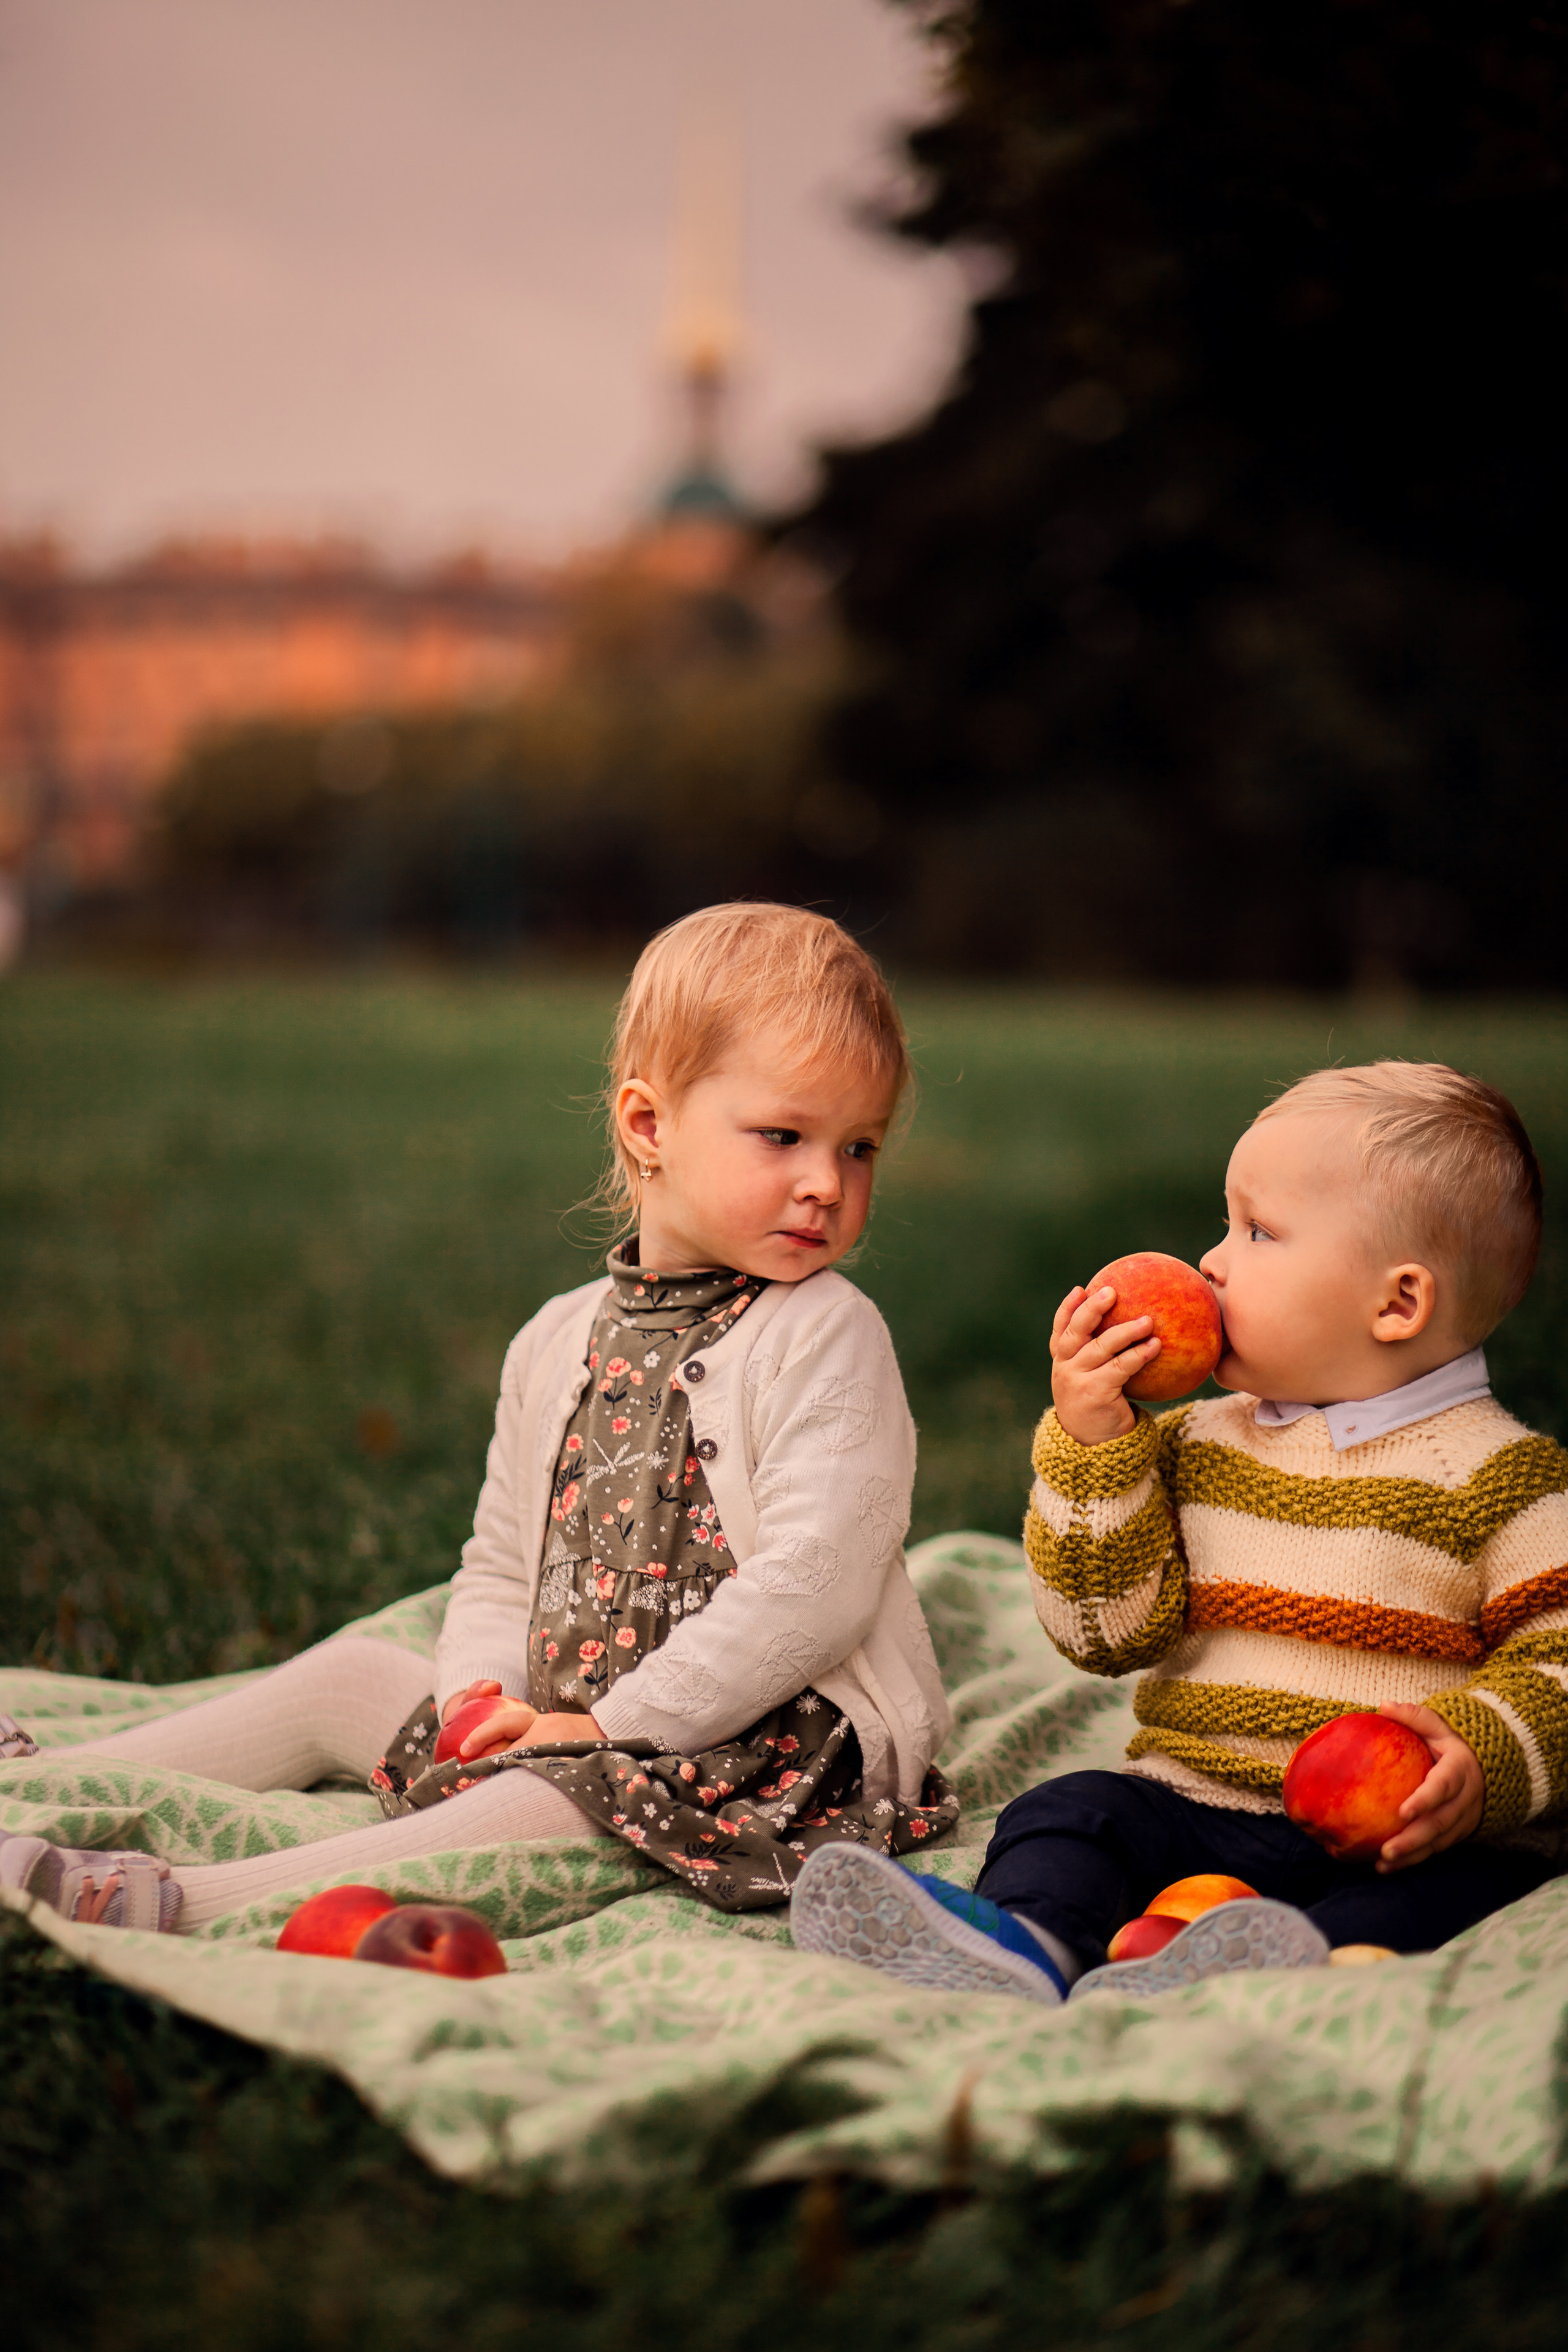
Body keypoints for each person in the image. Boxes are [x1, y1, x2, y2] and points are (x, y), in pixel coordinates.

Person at [1, 903, 954, 1934]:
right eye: (785, 1135)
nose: (827, 1183)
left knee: (534, 1808)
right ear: (649, 1126)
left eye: (858, 1148)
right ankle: (50, 1776)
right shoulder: (558, 1340)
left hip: (757, 1756)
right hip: (558, 1720)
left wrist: (607, 1727)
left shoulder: (827, 1333)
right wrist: (478, 1699)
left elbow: (817, 1585)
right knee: (355, 1681)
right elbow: (502, 1564)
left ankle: (183, 1903)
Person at [794, 1061, 1567, 2003]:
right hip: (1201, 1805)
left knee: (1464, 1889)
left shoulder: (1506, 1478)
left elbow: (1557, 1660)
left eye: (1259, 1232)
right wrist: (1095, 1449)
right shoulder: (1194, 1445)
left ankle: (1289, 1970)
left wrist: (1477, 1767)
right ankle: (1031, 1945)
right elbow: (1106, 1637)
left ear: (1397, 1304)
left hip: (1397, 1839)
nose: (1213, 1261)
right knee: (1072, 1813)